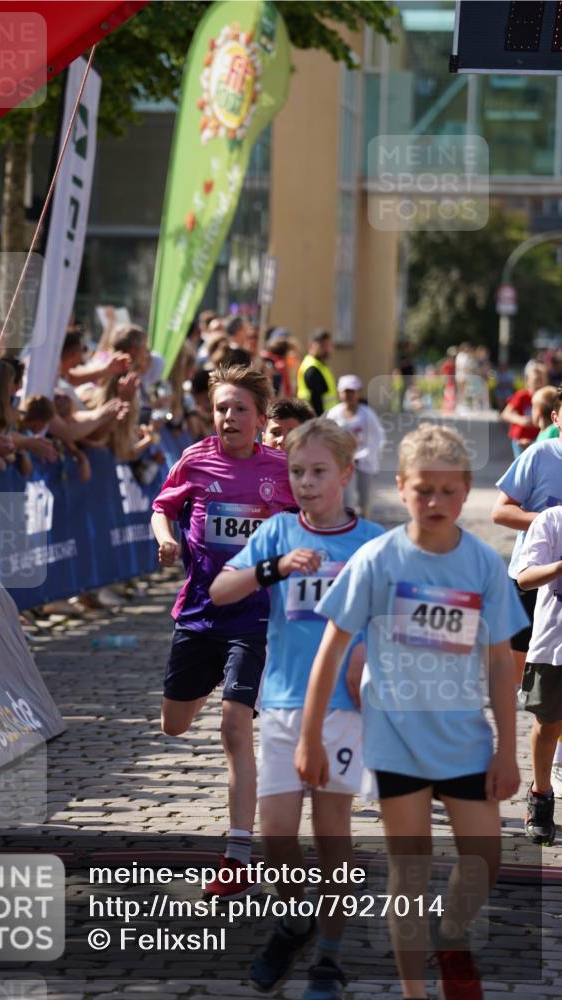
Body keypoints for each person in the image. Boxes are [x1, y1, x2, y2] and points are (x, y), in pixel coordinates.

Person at [296, 424, 528, 1000]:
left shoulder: (482, 565)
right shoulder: (378, 559)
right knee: (409, 875)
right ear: (402, 487)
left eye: (449, 492)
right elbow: (331, 650)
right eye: (424, 490)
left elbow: (500, 664)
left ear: (466, 490)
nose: (436, 502)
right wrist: (310, 737)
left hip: (464, 739)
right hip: (395, 738)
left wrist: (507, 749)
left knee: (485, 857)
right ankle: (414, 993)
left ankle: (451, 934)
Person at [210, 419, 383, 999]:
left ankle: (328, 957)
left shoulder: (373, 542)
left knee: (332, 833)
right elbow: (221, 591)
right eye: (296, 472)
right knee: (276, 834)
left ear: (346, 472)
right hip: (283, 702)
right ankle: (295, 920)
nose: (305, 483)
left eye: (317, 472)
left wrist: (369, 656)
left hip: (343, 708)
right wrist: (275, 568)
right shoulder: (279, 531)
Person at [151, 365, 296, 899]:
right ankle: (218, 677)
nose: (229, 417)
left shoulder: (281, 470)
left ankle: (237, 856)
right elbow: (162, 508)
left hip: (254, 621)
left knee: (235, 726)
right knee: (174, 726)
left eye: (240, 409)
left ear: (260, 418)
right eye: (221, 408)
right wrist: (166, 539)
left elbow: (314, 522)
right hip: (200, 614)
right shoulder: (195, 459)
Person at [491, 435, 562, 685]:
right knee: (523, 669)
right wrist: (550, 523)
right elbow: (500, 511)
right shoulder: (539, 455)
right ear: (556, 419)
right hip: (532, 574)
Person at [516, 505, 562, 846]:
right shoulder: (552, 520)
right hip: (555, 645)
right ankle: (541, 796)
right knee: (549, 724)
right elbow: (525, 577)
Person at [326, 375, 385, 519]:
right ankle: (349, 525)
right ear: (339, 393)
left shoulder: (367, 414)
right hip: (343, 463)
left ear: (358, 392)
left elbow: (378, 438)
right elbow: (327, 438)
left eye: (352, 391)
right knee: (346, 500)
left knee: (365, 500)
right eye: (345, 391)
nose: (348, 395)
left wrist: (361, 456)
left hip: (365, 463)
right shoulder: (334, 414)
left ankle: (365, 523)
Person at [501, 362, 548, 458]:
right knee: (523, 462)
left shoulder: (547, 397)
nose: (538, 384)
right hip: (521, 438)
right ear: (528, 382)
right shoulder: (522, 396)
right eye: (535, 380)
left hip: (539, 437)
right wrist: (521, 420)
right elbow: (505, 414)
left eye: (541, 380)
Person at [297, 330, 337, 416]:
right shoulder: (312, 368)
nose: (327, 349)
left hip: (326, 416)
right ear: (312, 345)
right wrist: (320, 420)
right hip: (318, 418)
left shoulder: (321, 366)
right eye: (323, 345)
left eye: (328, 345)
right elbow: (316, 399)